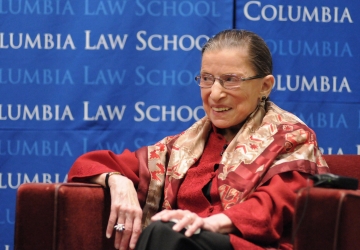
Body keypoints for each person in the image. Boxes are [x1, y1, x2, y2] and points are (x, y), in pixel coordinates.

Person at [68, 29, 329, 250]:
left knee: (164, 232)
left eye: (230, 80)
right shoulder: (183, 146)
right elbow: (89, 164)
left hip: (244, 244)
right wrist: (119, 181)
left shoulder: (290, 137)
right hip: (177, 240)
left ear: (265, 85)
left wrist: (209, 223)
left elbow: (275, 206)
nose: (215, 94)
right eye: (207, 79)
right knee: (166, 232)